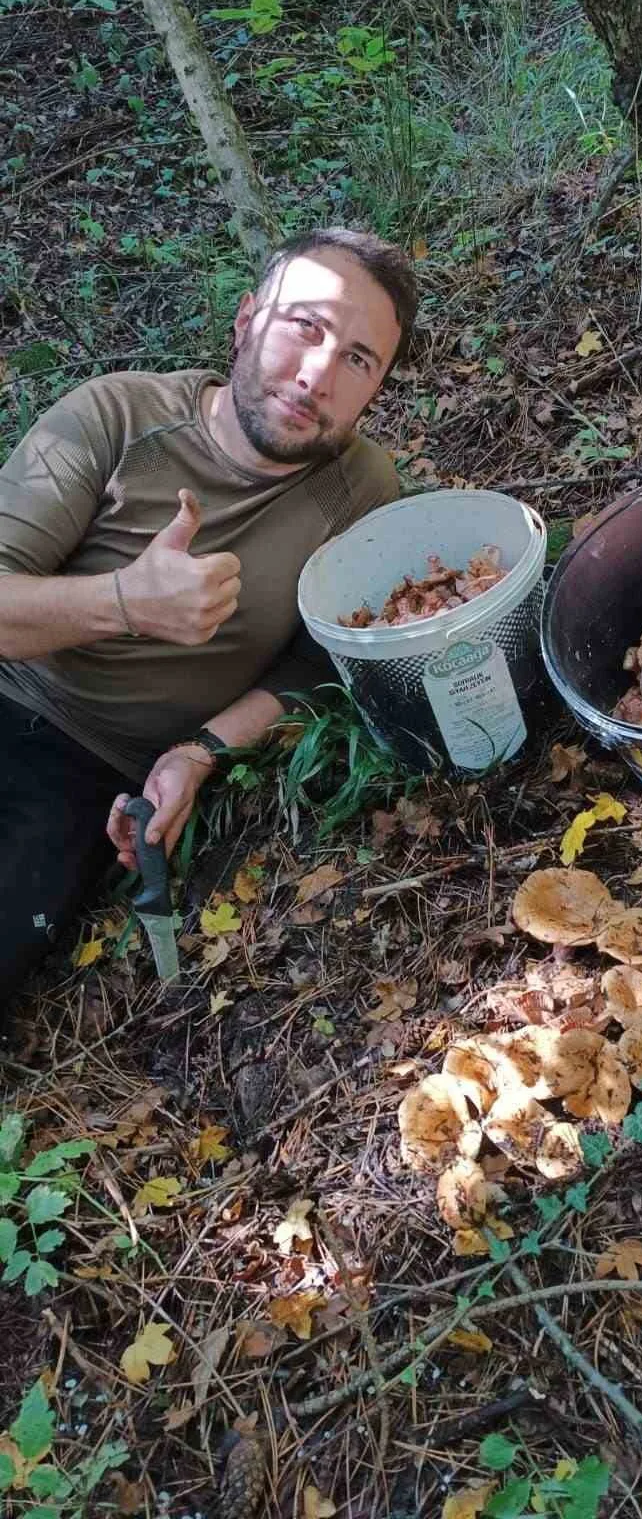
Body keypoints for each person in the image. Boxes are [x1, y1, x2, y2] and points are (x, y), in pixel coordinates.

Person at [0, 226, 417, 990]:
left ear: (377, 388)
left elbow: (319, 658)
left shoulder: (361, 491)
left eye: (358, 359)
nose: (317, 377)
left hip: (86, 777)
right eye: (305, 327)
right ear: (247, 320)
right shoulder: (118, 416)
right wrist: (124, 602)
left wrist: (201, 751)